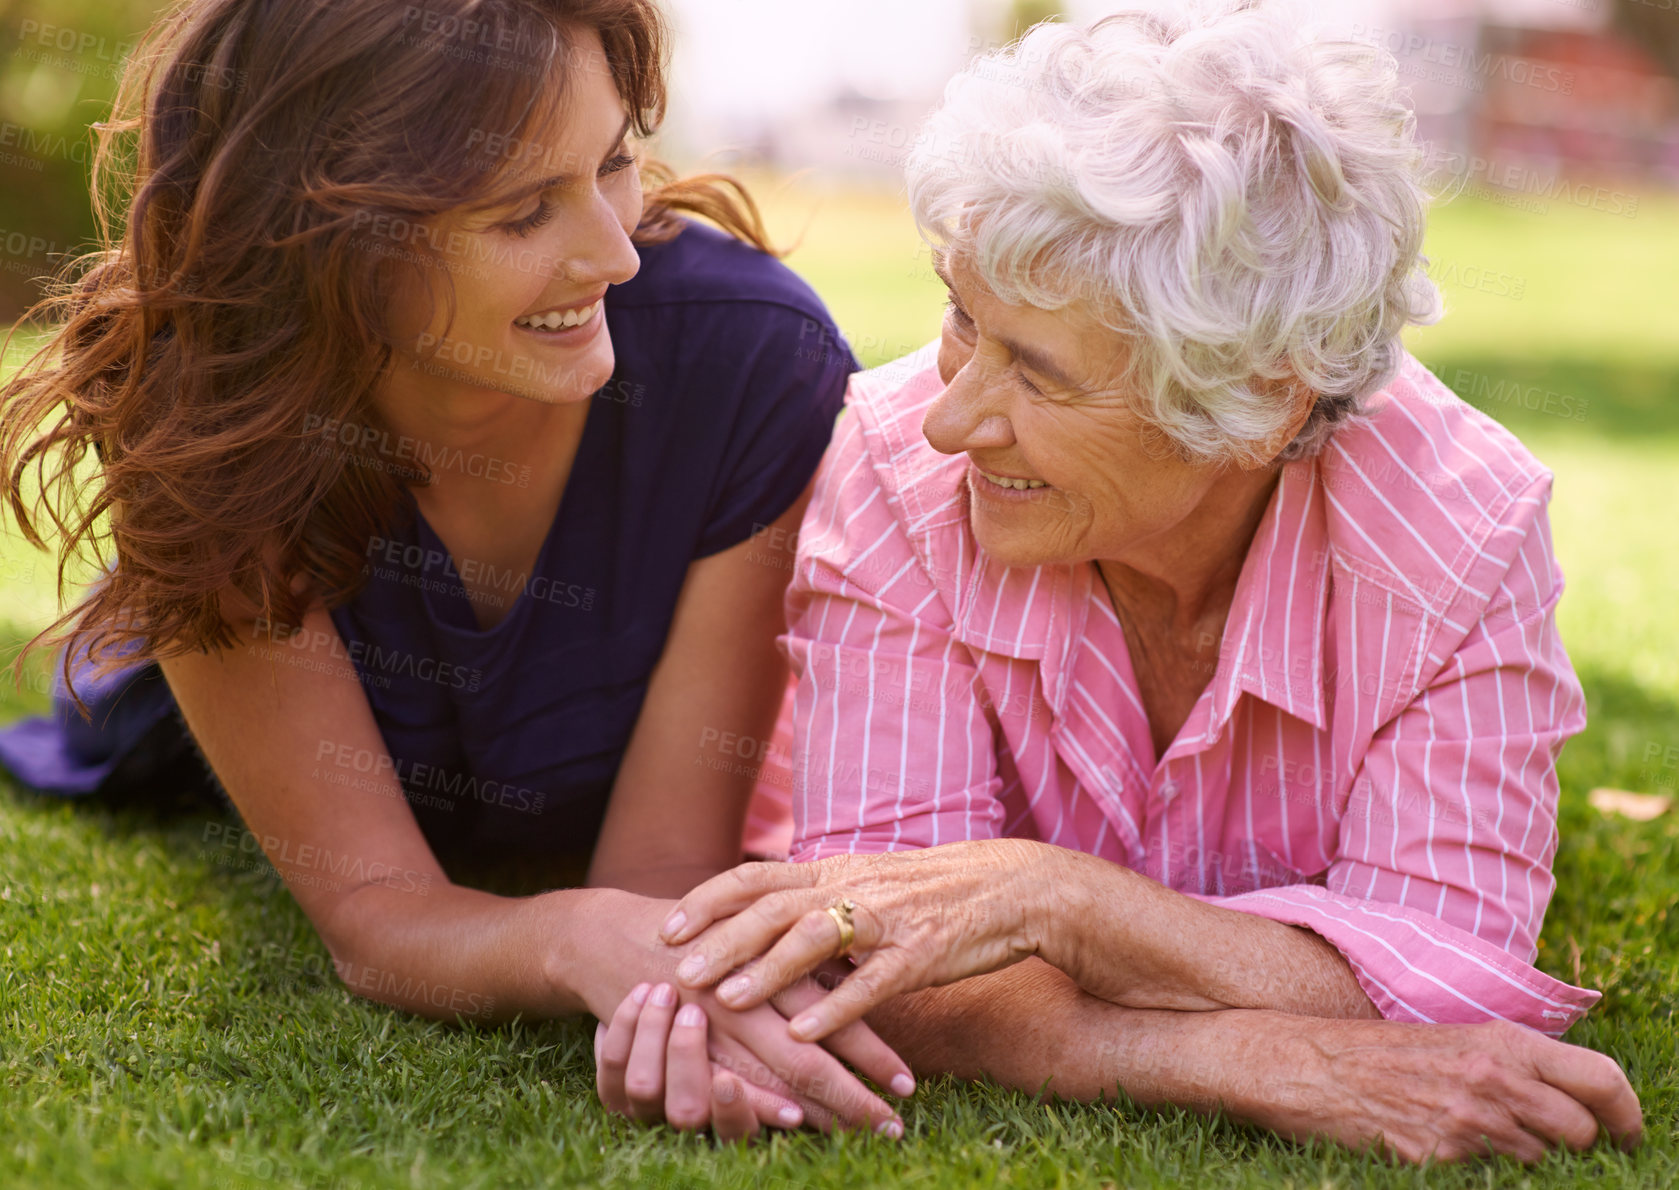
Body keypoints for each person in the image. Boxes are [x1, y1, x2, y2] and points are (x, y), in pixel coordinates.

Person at [601, 1, 1644, 1162]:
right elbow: (879, 953)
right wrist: (1258, 1053)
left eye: (1038, 377)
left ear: (1259, 403)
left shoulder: (1461, 534)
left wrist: (1052, 902)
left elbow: (1444, 981)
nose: (950, 418)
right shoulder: (898, 465)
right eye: (960, 317)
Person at [0, 0, 912, 1142]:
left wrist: (674, 986)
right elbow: (378, 918)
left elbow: (654, 883)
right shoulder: (206, 418)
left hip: (551, 785)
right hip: (162, 721)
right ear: (326, 239)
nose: (612, 251)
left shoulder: (750, 366)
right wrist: (573, 938)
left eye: (614, 162)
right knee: (122, 672)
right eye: (525, 211)